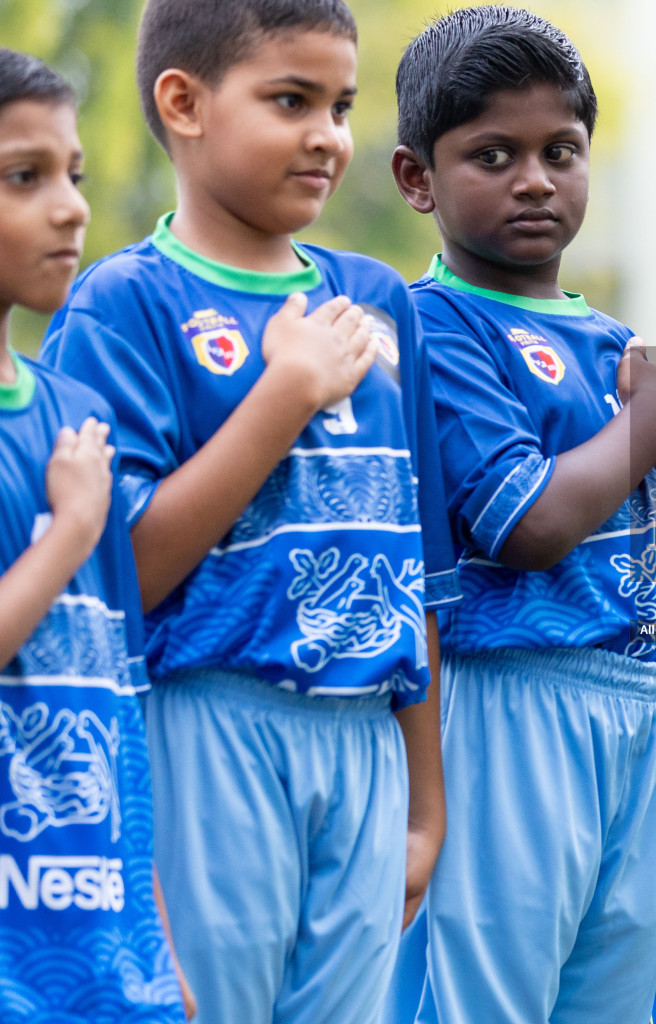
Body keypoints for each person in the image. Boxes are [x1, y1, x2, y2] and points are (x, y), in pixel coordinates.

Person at [40, 2, 460, 1021]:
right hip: (209, 725)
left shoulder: (376, 299)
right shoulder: (122, 304)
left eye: (342, 104)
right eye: (290, 100)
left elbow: (413, 570)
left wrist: (425, 804)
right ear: (182, 103)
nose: (327, 134)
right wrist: (283, 397)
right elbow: (118, 574)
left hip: (367, 742)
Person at [388, 8, 656, 1023]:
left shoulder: (616, 338)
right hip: (513, 701)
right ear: (417, 179)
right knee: (489, 998)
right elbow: (529, 524)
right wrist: (655, 416)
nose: (534, 178)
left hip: (644, 713)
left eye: (559, 151)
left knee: (609, 1002)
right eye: (494, 153)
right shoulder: (433, 322)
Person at [0, 46, 194, 1024]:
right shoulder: (81, 485)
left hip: (111, 955)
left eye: (72, 174)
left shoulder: (74, 415)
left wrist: (153, 940)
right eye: (22, 178)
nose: (71, 206)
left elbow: (118, 686)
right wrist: (73, 527)